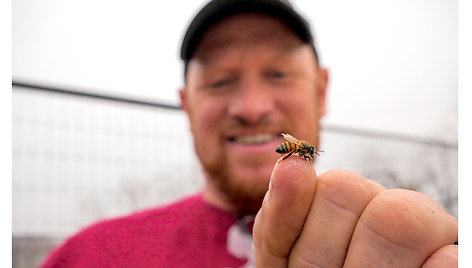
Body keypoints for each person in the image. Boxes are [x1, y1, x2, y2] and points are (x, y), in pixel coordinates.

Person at [39, 0, 458, 267]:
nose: (252, 106)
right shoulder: (87, 257)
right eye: (220, 81)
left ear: (321, 90)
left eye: (278, 73)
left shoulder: (412, 245)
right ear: (187, 106)